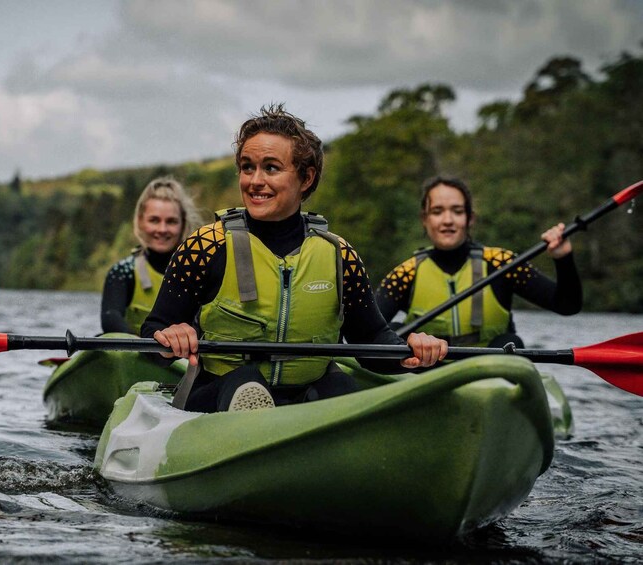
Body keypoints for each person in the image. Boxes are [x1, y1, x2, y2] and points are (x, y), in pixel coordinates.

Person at [142, 104, 447, 414]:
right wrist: (169, 336)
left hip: (305, 399)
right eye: (248, 168)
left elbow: (369, 339)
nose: (255, 181)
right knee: (246, 382)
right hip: (219, 395)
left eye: (271, 168)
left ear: (306, 178)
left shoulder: (340, 255)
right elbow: (153, 330)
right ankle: (251, 423)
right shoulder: (205, 247)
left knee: (340, 386)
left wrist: (409, 350)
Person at [376, 176, 582, 349]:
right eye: (437, 212)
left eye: (457, 211)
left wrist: (563, 258)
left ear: (470, 218)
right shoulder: (406, 273)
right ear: (425, 219)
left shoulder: (501, 263)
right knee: (391, 332)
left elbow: (567, 305)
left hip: (487, 374)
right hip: (423, 372)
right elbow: (366, 330)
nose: (447, 220)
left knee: (511, 342)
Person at [100, 176, 204, 334]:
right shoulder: (123, 272)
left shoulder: (200, 274)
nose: (162, 229)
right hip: (132, 355)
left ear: (183, 224)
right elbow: (110, 319)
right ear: (141, 221)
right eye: (154, 220)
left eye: (171, 221)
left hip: (182, 357)